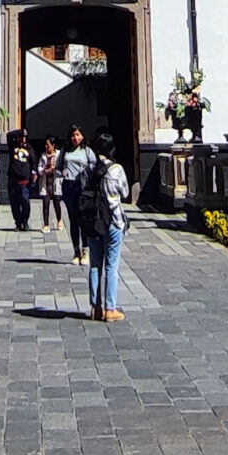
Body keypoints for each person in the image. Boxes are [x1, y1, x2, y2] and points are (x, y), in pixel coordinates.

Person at [85, 131, 129, 322]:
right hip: (112, 220)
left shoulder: (89, 169)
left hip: (93, 220)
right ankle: (110, 308)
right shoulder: (116, 170)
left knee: (95, 265)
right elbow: (125, 193)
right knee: (112, 265)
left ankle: (95, 308)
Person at [59, 125, 95, 263]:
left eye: (78, 135)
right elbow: (58, 167)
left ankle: (86, 250)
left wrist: (86, 171)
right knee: (73, 219)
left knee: (83, 219)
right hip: (69, 185)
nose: (76, 138)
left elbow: (94, 165)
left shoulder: (87, 151)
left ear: (83, 136)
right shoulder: (65, 150)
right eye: (73, 135)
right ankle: (76, 251)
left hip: (83, 186)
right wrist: (61, 172)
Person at [4, 132, 34, 231]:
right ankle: (18, 222)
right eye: (20, 137)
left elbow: (33, 161)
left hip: (24, 180)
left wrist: (34, 173)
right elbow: (9, 135)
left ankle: (25, 221)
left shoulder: (29, 148)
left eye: (24, 137)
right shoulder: (13, 146)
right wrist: (20, 131)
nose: (22, 139)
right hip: (13, 179)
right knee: (14, 202)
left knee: (25, 201)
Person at [35, 139, 61, 229]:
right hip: (46, 182)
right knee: (45, 204)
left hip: (55, 181)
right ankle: (46, 224)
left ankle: (59, 219)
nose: (46, 147)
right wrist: (44, 171)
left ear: (53, 145)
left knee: (56, 203)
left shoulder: (59, 155)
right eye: (45, 145)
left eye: (48, 145)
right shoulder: (43, 156)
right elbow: (39, 167)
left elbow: (62, 168)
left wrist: (55, 169)